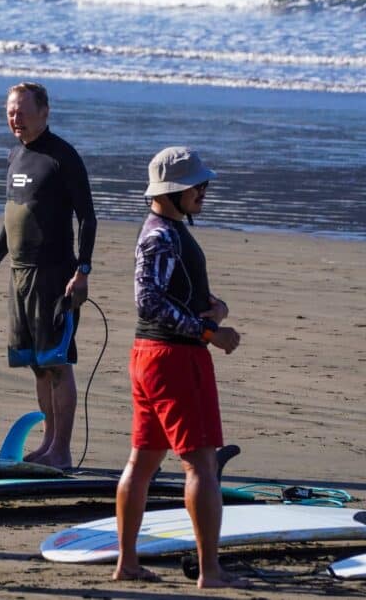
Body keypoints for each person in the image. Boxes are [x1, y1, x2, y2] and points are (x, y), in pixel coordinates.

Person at [113, 146, 247, 589]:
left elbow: (171, 293)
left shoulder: (164, 228)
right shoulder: (162, 235)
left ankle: (128, 563)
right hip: (173, 359)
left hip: (149, 357)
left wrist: (215, 309)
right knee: (201, 466)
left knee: (143, 461)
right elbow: (148, 300)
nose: (204, 192)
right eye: (198, 186)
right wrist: (208, 333)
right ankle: (210, 572)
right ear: (174, 192)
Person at [0, 82, 97, 469]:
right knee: (38, 364)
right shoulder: (15, 156)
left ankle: (62, 448)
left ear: (44, 112)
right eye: (11, 111)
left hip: (54, 275)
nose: (15, 117)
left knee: (58, 362)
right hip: (20, 275)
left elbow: (88, 217)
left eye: (23, 111)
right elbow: (12, 219)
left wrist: (83, 271)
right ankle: (47, 444)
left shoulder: (63, 157)